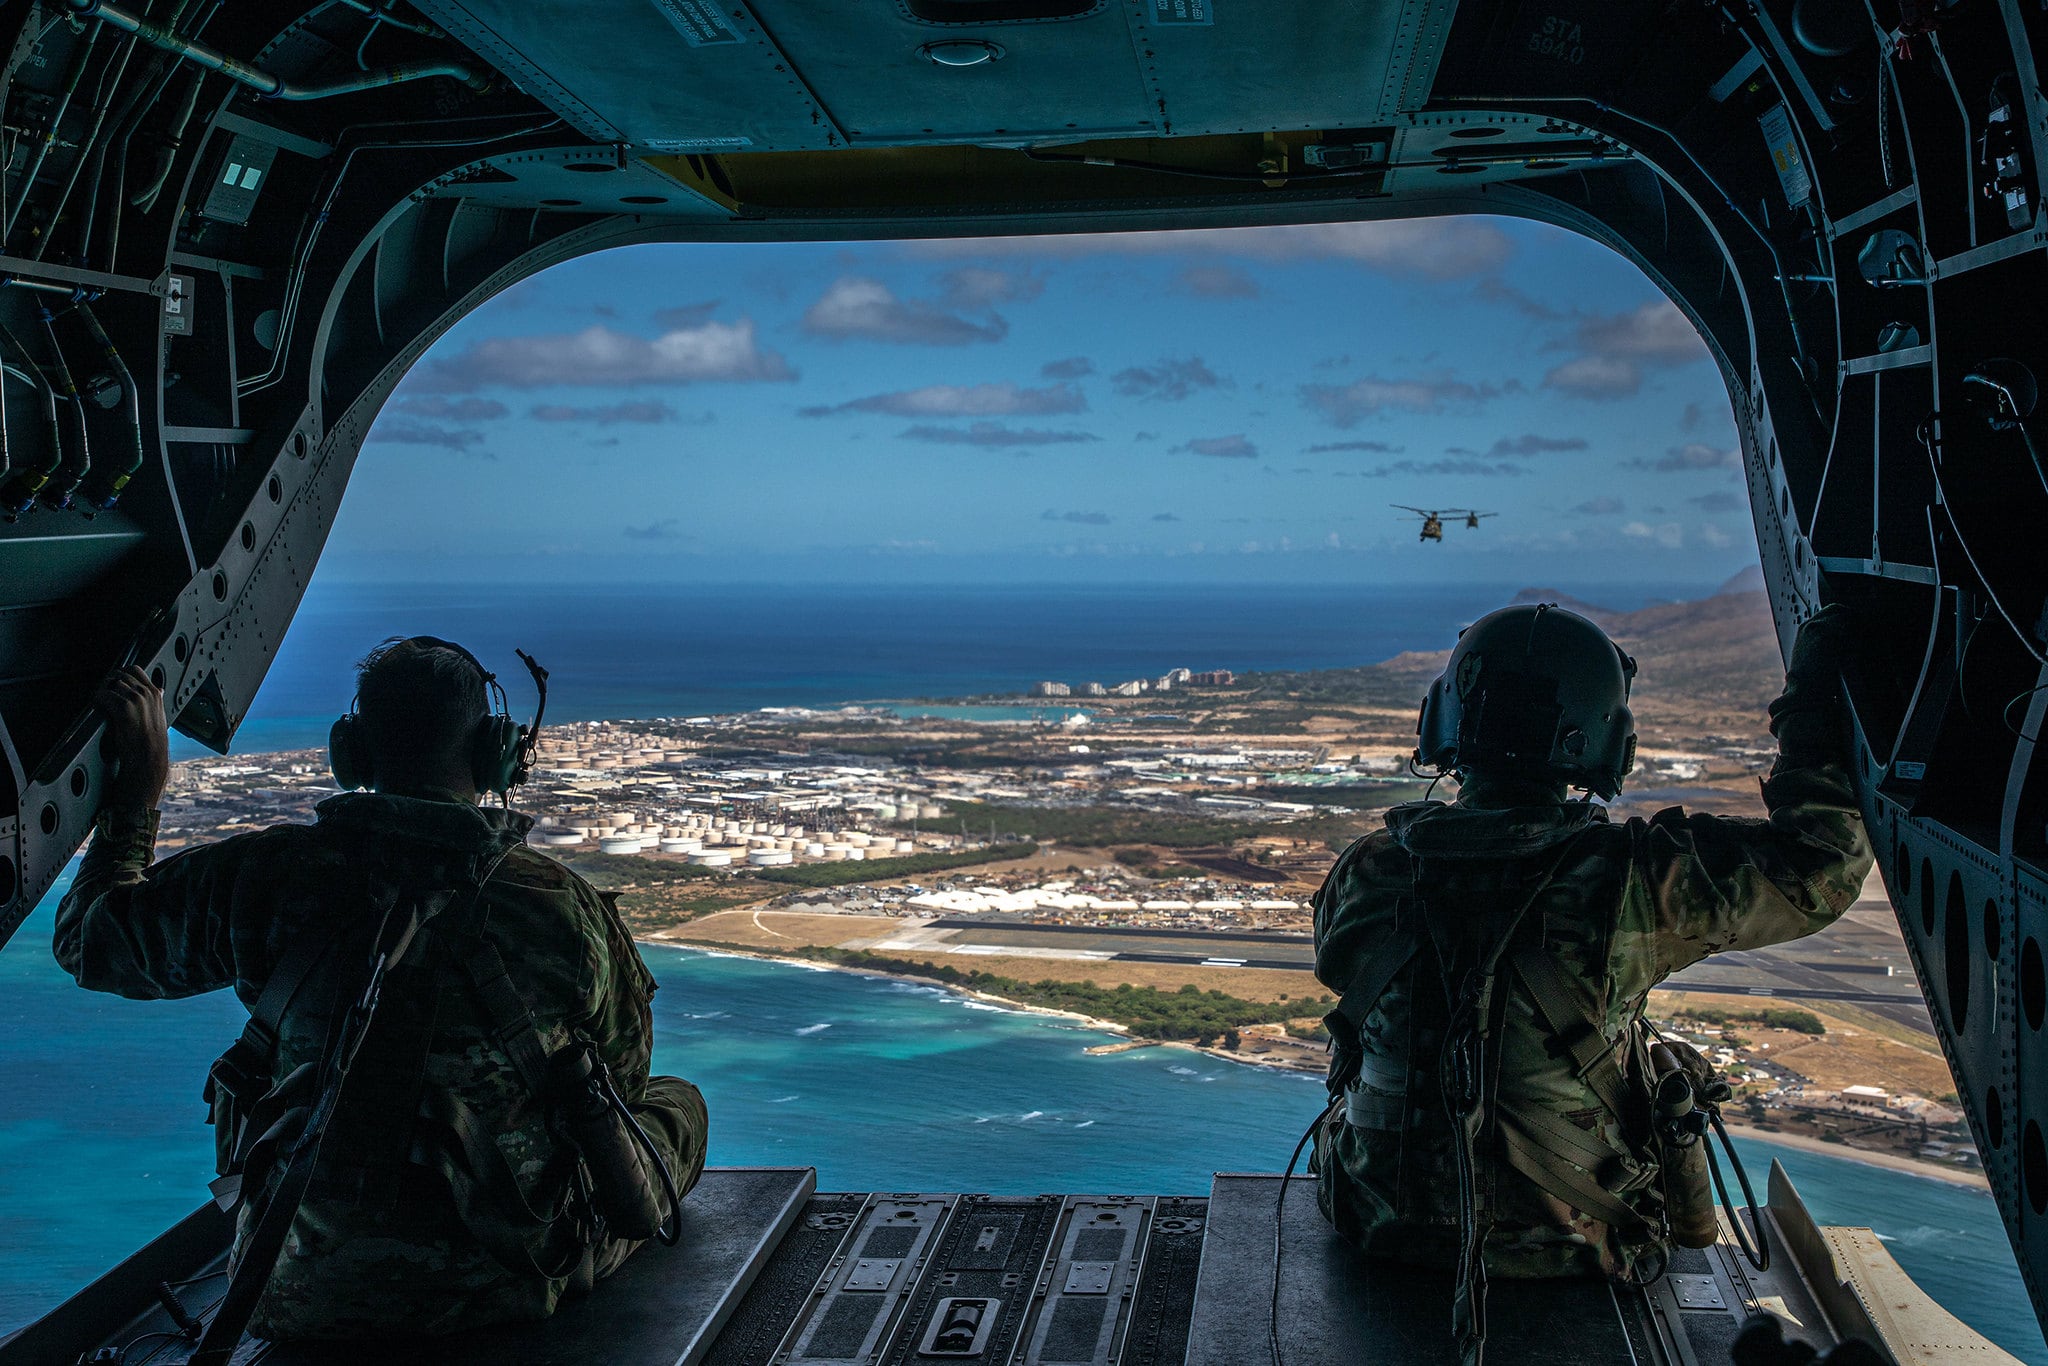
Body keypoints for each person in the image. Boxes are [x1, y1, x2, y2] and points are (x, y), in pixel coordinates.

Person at [56, 638, 708, 1341]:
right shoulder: (561, 908)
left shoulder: (263, 878)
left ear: (351, 754)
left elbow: (90, 944)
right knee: (678, 1103)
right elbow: (622, 1082)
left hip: (291, 1284)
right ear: (499, 753)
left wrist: (137, 796)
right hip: (506, 1282)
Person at [1308, 602, 1871, 1363]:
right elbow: (1818, 867)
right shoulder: (1632, 880)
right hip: (1586, 1248)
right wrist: (1816, 694)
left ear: (1443, 722)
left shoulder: (1367, 875)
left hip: (1374, 1220)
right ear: (1609, 740)